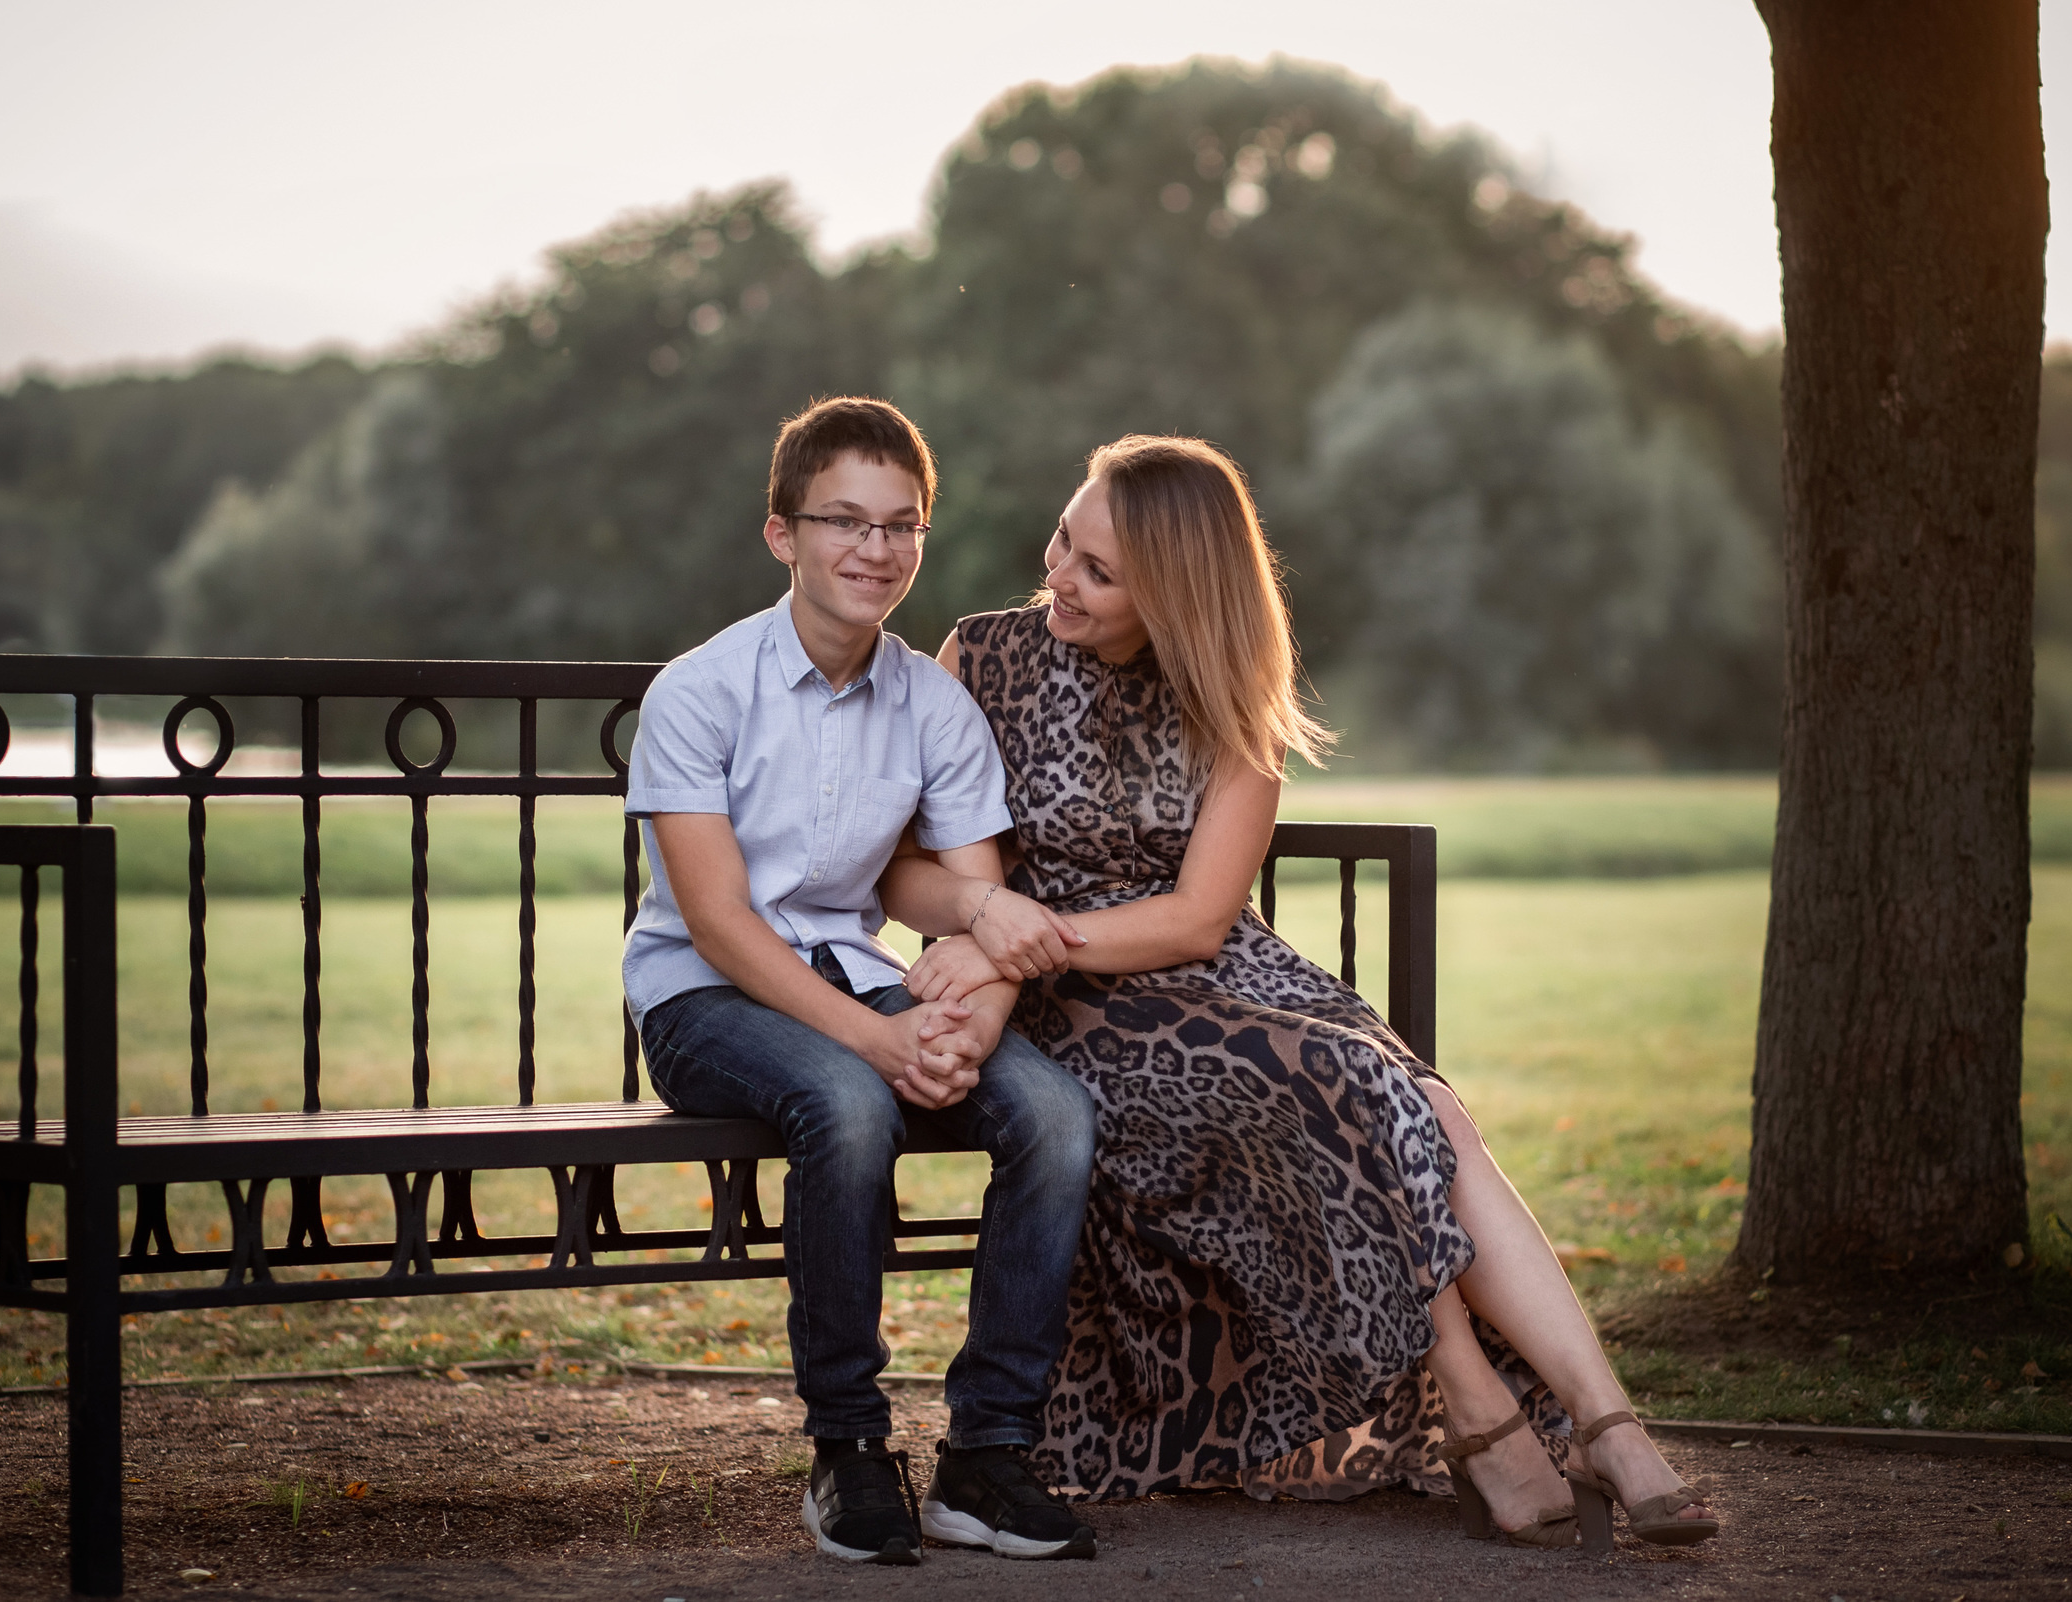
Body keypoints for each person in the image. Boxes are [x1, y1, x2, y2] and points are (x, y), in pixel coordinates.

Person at [880, 433, 1718, 1553]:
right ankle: (1491, 1412)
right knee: (1346, 1089)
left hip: (1213, 974)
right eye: (1063, 542)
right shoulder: (978, 656)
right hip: (1077, 1008)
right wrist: (993, 927)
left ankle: (1606, 1423)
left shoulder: (1227, 692)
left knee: (1420, 1102)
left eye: (1098, 569)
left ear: (1176, 594)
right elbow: (897, 865)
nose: (1057, 579)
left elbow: (1196, 919)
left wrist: (1006, 941)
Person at [623, 396, 1100, 1565]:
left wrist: (965, 1030)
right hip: (701, 998)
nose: (874, 550)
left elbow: (974, 905)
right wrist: (882, 1046)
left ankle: (987, 1454)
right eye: (844, 519)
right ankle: (848, 1446)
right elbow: (723, 925)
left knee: (1054, 1108)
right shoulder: (699, 690)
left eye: (901, 526)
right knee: (846, 1100)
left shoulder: (933, 701)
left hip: (859, 981)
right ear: (782, 532)